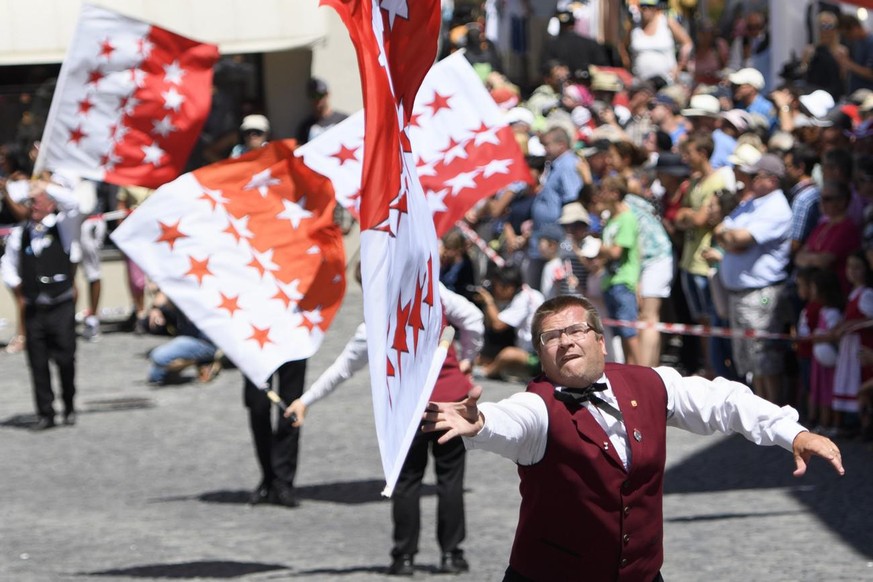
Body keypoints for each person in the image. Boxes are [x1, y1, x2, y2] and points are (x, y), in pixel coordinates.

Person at [422, 294, 844, 582]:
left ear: (601, 341)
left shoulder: (651, 383)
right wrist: (479, 424)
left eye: (576, 331)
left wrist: (793, 432)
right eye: (551, 337)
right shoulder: (537, 407)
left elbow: (724, 401)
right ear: (540, 353)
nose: (566, 341)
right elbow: (510, 421)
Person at [286, 282, 483, 576]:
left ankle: (404, 558)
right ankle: (451, 555)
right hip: (451, 399)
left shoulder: (377, 321)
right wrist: (468, 357)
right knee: (450, 480)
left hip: (409, 408)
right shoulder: (432, 288)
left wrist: (305, 401)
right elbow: (473, 318)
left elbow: (343, 367)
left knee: (406, 481)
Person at [0, 177, 81, 430]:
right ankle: (45, 412)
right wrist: (18, 285)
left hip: (61, 305)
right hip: (35, 307)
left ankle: (68, 404)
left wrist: (44, 186)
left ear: (49, 203)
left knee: (65, 358)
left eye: (36, 201)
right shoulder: (20, 234)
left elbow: (74, 203)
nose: (32, 205)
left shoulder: (63, 226)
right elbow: (9, 265)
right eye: (30, 201)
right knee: (37, 362)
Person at [713, 154, 793, 404]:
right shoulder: (751, 203)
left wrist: (733, 240)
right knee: (747, 357)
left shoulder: (776, 208)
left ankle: (775, 409)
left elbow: (739, 239)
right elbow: (720, 231)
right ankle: (760, 407)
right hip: (741, 293)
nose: (747, 180)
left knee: (763, 354)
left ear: (772, 180)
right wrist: (732, 240)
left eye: (754, 176)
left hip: (760, 292)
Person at [245, 359, 307, 508]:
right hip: (255, 345)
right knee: (257, 405)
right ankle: (268, 477)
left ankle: (283, 481)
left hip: (292, 340)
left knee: (290, 408)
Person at [295, 78, 348, 145]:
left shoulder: (343, 120)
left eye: (320, 95)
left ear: (327, 94)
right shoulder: (306, 126)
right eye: (313, 96)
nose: (317, 99)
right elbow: (300, 150)